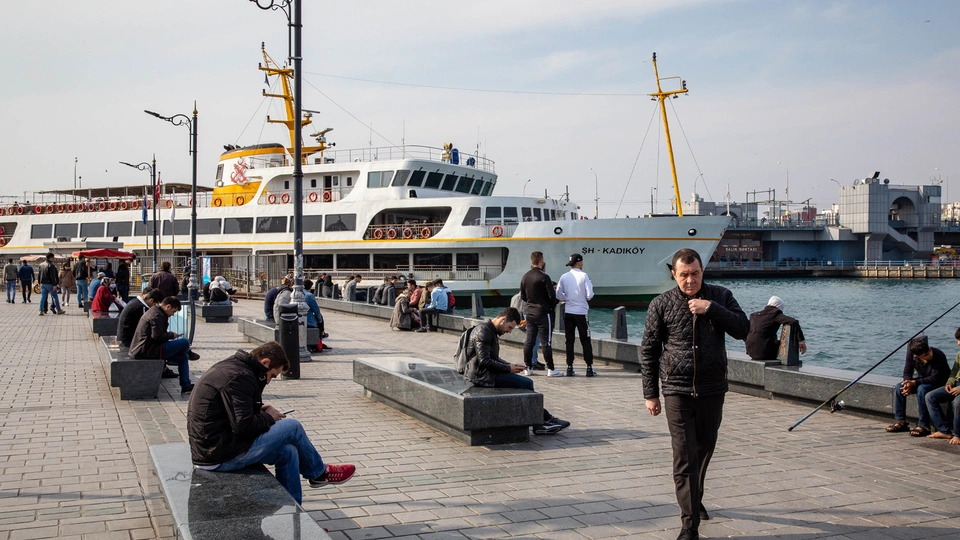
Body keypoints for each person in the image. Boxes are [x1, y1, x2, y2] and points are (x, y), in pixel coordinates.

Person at [640, 248, 749, 540]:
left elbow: (743, 329)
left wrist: (711, 308)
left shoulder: (721, 296)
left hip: (713, 388)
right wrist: (650, 394)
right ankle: (689, 526)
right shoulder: (661, 304)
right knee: (685, 455)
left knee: (704, 447)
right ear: (674, 274)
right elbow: (649, 351)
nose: (690, 280)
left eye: (696, 273)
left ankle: (694, 494)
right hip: (676, 388)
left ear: (703, 271)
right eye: (684, 275)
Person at [186, 341, 356, 504]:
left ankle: (294, 518)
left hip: (216, 448)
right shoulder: (240, 377)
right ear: (265, 362)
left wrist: (257, 411)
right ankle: (319, 473)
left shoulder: (235, 368)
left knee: (288, 452)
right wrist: (269, 417)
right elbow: (242, 425)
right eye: (271, 376)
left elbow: (231, 414)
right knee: (292, 427)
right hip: (218, 455)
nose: (268, 381)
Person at [462, 307, 570, 435]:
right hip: (481, 376)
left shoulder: (489, 330)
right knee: (526, 384)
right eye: (510, 327)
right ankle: (541, 422)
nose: (509, 331)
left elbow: (493, 358)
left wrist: (510, 365)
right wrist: (508, 369)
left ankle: (543, 420)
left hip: (485, 373)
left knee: (525, 384)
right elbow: (484, 361)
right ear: (503, 320)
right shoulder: (483, 332)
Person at [130, 296, 199, 395]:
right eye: (173, 311)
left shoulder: (156, 311)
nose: (172, 314)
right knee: (185, 342)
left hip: (148, 348)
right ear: (168, 306)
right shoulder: (157, 315)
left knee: (183, 357)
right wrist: (171, 335)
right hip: (148, 350)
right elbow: (157, 336)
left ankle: (186, 386)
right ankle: (187, 350)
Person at [886, 335, 950, 437]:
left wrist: (914, 383)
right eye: (926, 354)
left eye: (929, 351)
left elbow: (935, 377)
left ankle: (923, 425)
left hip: (939, 381)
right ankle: (901, 421)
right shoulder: (911, 355)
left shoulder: (938, 354)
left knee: (922, 389)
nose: (930, 355)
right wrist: (907, 383)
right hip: (923, 379)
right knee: (899, 387)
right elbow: (907, 370)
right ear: (917, 356)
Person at [520, 251, 562, 377]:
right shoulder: (544, 277)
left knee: (529, 340)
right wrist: (556, 302)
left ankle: (528, 367)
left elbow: (523, 296)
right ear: (541, 260)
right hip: (543, 313)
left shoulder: (525, 277)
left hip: (530, 312)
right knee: (546, 342)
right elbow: (551, 297)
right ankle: (551, 368)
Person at [555, 253, 596, 377]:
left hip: (568, 311)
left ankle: (569, 367)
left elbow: (558, 294)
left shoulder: (564, 276)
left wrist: (567, 298)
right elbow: (590, 295)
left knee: (569, 340)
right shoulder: (584, 276)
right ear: (579, 262)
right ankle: (589, 367)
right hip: (581, 312)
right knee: (585, 339)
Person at [925, 328, 960, 444]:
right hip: (956, 384)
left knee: (957, 403)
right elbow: (954, 372)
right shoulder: (959, 354)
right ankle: (944, 430)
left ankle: (958, 434)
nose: (958, 343)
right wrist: (949, 382)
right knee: (930, 396)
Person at [745, 296, 807, 360]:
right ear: (779, 308)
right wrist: (801, 342)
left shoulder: (753, 315)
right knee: (787, 346)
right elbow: (793, 322)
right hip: (764, 353)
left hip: (750, 351)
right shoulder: (775, 315)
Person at [303, 279, 325, 353]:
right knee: (320, 319)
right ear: (310, 287)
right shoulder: (309, 296)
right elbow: (316, 310)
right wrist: (320, 320)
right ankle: (319, 341)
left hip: (296, 320)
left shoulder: (295, 293)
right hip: (308, 322)